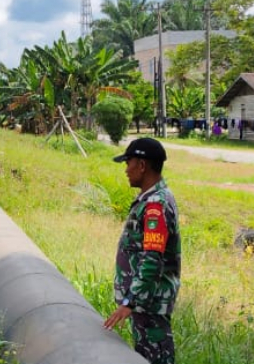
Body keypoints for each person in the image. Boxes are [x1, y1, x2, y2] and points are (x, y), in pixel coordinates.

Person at [104, 137, 181, 364]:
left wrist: (130, 301)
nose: (126, 170)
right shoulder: (152, 199)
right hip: (146, 303)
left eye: (129, 162)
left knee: (155, 358)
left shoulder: (155, 205)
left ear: (142, 165)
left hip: (149, 303)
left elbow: (152, 259)